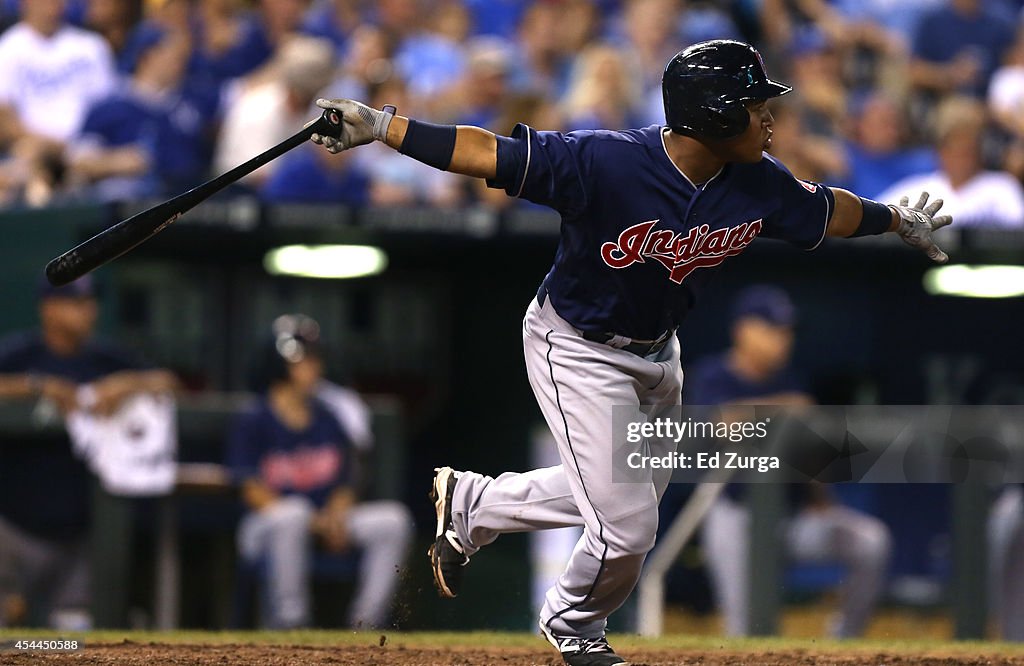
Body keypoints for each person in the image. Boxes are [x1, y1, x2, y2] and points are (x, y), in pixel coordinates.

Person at [308, 39, 952, 665]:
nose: (770, 114)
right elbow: (488, 154)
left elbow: (827, 211)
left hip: (658, 355)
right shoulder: (608, 162)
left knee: (620, 491)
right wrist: (385, 126)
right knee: (628, 526)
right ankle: (573, 621)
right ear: (714, 114)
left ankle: (478, 505)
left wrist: (894, 219)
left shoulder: (758, 182)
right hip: (576, 347)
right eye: (756, 103)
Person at [690, 286, 891, 638]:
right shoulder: (714, 375)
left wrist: (821, 501)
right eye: (773, 329)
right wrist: (786, 407)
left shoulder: (790, 379)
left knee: (869, 541)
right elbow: (722, 423)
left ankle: (841, 645)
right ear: (744, 330)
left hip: (791, 518)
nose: (783, 340)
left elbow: (805, 452)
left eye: (787, 332)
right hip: (736, 519)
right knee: (747, 633)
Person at [0, 275, 178, 629]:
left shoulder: (105, 358)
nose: (89, 311)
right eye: (76, 302)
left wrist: (128, 383)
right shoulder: (21, 354)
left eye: (90, 302)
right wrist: (39, 386)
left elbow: (168, 381)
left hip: (79, 533)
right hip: (12, 529)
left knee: (72, 641)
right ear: (49, 308)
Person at [226, 314, 413, 629]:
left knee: (393, 521)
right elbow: (251, 490)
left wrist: (336, 515)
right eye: (304, 361)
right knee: (293, 514)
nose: (314, 367)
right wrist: (314, 521)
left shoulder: (328, 417)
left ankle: (365, 627)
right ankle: (291, 624)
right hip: (264, 528)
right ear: (279, 365)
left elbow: (345, 483)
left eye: (314, 359)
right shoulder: (254, 418)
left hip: (322, 521)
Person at [877, 96, 1024, 228]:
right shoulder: (919, 190)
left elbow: (1017, 231)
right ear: (941, 151)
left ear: (979, 149)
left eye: (967, 149)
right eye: (954, 148)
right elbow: (877, 219)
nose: (960, 157)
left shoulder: (1001, 187)